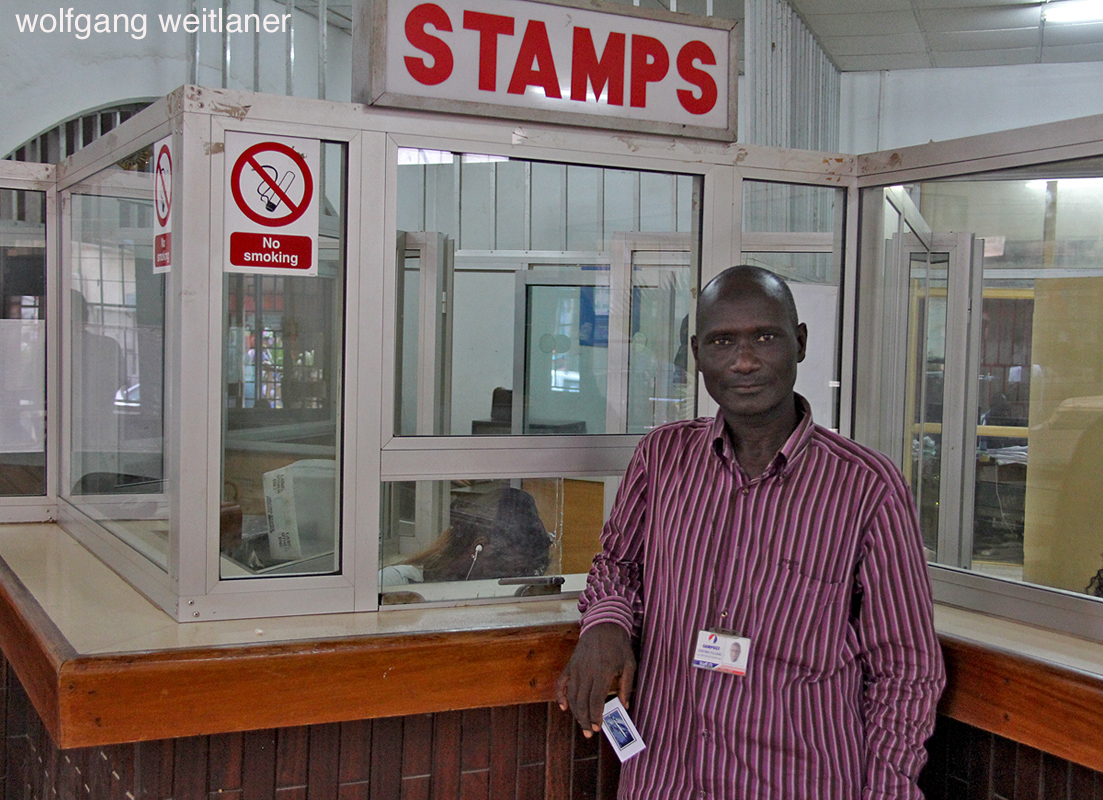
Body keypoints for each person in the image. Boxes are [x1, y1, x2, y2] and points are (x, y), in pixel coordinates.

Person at [556, 265, 945, 800]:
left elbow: (906, 668)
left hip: (798, 781)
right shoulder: (663, 457)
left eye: (765, 336)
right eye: (722, 341)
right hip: (666, 779)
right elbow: (618, 565)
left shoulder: (865, 487)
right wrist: (605, 625)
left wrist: (886, 790)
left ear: (800, 343)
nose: (743, 360)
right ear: (696, 354)